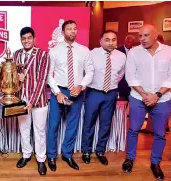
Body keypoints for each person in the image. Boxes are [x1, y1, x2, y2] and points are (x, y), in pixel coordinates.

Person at [122, 24, 171, 181]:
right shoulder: (134, 53)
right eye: (140, 36)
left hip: (162, 99)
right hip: (138, 98)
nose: (142, 39)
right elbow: (130, 76)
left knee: (160, 134)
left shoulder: (168, 52)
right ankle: (129, 159)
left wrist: (156, 95)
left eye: (146, 35)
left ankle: (155, 163)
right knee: (133, 130)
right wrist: (145, 94)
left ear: (155, 35)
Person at [47, 20, 94, 172]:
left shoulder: (84, 50)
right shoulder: (54, 51)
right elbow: (48, 74)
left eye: (75, 28)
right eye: (69, 29)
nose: (73, 31)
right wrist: (57, 92)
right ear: (62, 32)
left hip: (77, 92)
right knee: (53, 125)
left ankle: (67, 154)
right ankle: (51, 155)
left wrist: (81, 86)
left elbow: (90, 71)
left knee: (72, 125)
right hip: (59, 91)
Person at [81, 30, 126, 166]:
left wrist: (111, 85)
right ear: (101, 41)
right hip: (93, 92)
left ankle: (100, 151)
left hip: (111, 93)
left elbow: (121, 74)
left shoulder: (122, 56)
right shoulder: (91, 53)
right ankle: (86, 151)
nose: (111, 42)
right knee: (89, 122)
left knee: (106, 124)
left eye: (113, 40)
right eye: (107, 39)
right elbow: (85, 72)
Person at [13, 27, 49, 175]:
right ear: (21, 40)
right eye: (24, 38)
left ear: (34, 39)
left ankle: (41, 159)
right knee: (24, 129)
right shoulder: (16, 55)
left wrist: (32, 101)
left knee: (39, 131)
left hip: (38, 100)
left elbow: (42, 80)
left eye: (29, 38)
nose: (26, 41)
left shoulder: (42, 54)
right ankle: (26, 155)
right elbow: (13, 77)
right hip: (22, 98)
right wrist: (17, 78)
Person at [117, 35, 135, 102]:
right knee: (120, 101)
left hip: (131, 80)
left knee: (130, 100)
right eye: (128, 42)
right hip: (120, 81)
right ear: (125, 41)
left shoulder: (135, 52)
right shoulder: (118, 50)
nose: (128, 44)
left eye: (131, 42)